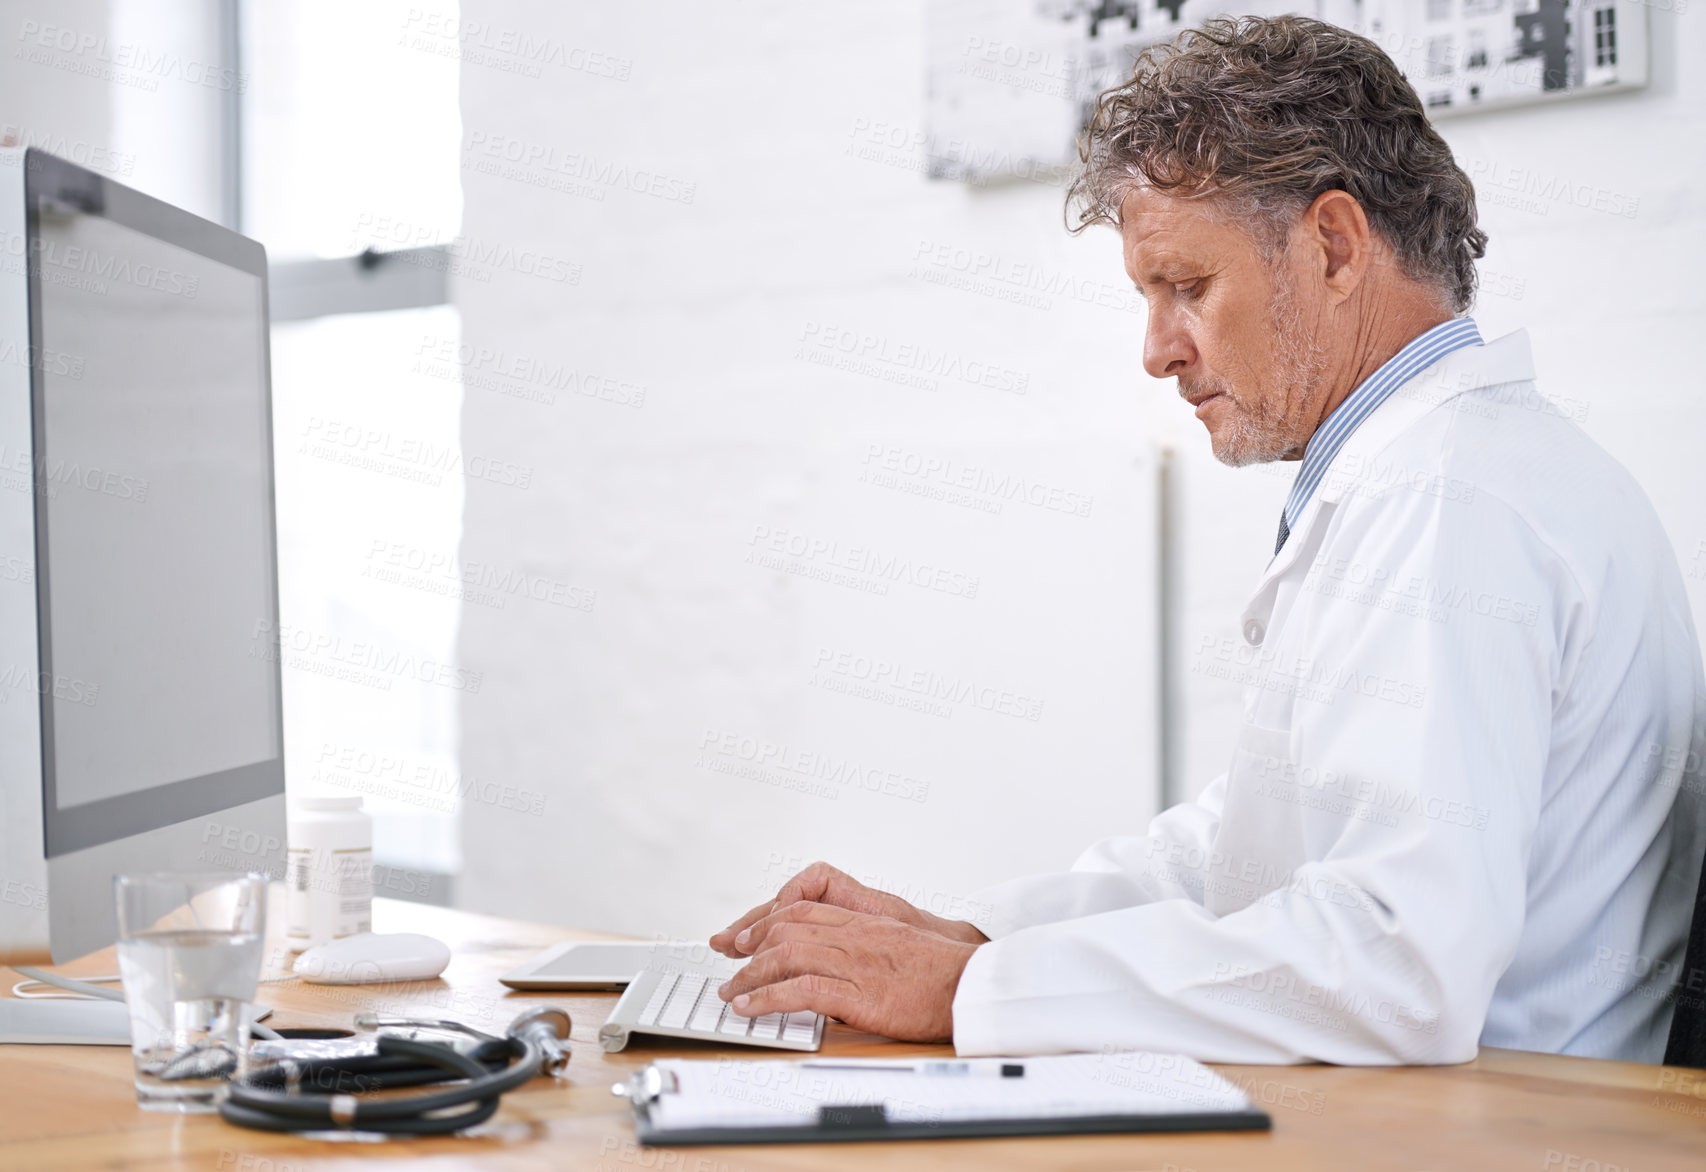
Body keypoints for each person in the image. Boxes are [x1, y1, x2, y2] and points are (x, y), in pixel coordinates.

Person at [709, 15, 1706, 1064]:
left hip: (1479, 1124)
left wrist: (972, 988)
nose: (1155, 351)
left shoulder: (1451, 501)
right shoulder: (1442, 472)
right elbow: (1248, 847)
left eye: (1186, 287)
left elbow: (1397, 961)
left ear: (1331, 245)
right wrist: (973, 937)